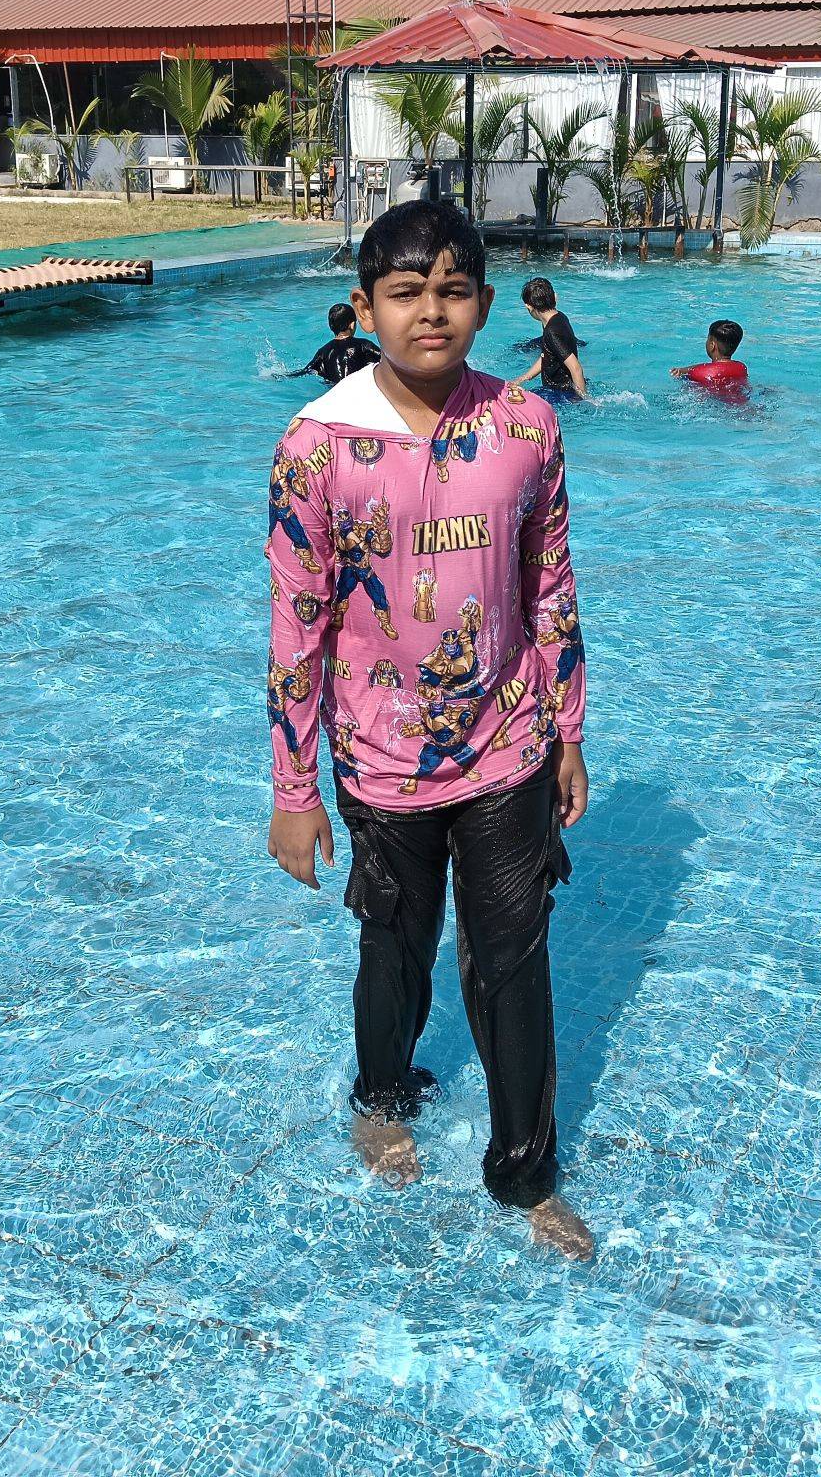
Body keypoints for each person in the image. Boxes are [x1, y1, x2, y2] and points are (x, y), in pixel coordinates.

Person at [266, 199, 592, 1259]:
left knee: (516, 962)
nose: (432, 313)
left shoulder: (525, 427)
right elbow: (297, 624)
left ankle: (525, 1175)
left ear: (486, 304)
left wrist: (569, 729)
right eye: (406, 293)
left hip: (508, 746)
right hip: (378, 758)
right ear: (366, 309)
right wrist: (293, 791)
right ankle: (382, 1097)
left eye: (454, 291)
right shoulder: (317, 447)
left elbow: (550, 585)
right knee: (393, 947)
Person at [514, 277, 588, 406]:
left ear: (528, 307)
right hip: (561, 388)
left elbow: (575, 368)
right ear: (555, 297)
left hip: (560, 392)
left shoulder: (552, 332)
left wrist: (583, 400)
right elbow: (547, 355)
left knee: (516, 402)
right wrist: (524, 378)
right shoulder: (559, 317)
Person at [294, 302, 380, 386]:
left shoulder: (323, 352)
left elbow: (305, 371)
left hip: (334, 391)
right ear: (352, 325)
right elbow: (385, 358)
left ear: (331, 326)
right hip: (356, 388)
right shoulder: (363, 345)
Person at [671, 319, 748, 394]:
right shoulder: (741, 368)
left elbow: (699, 370)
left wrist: (680, 374)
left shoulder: (699, 373)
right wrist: (683, 370)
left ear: (712, 345)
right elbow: (713, 367)